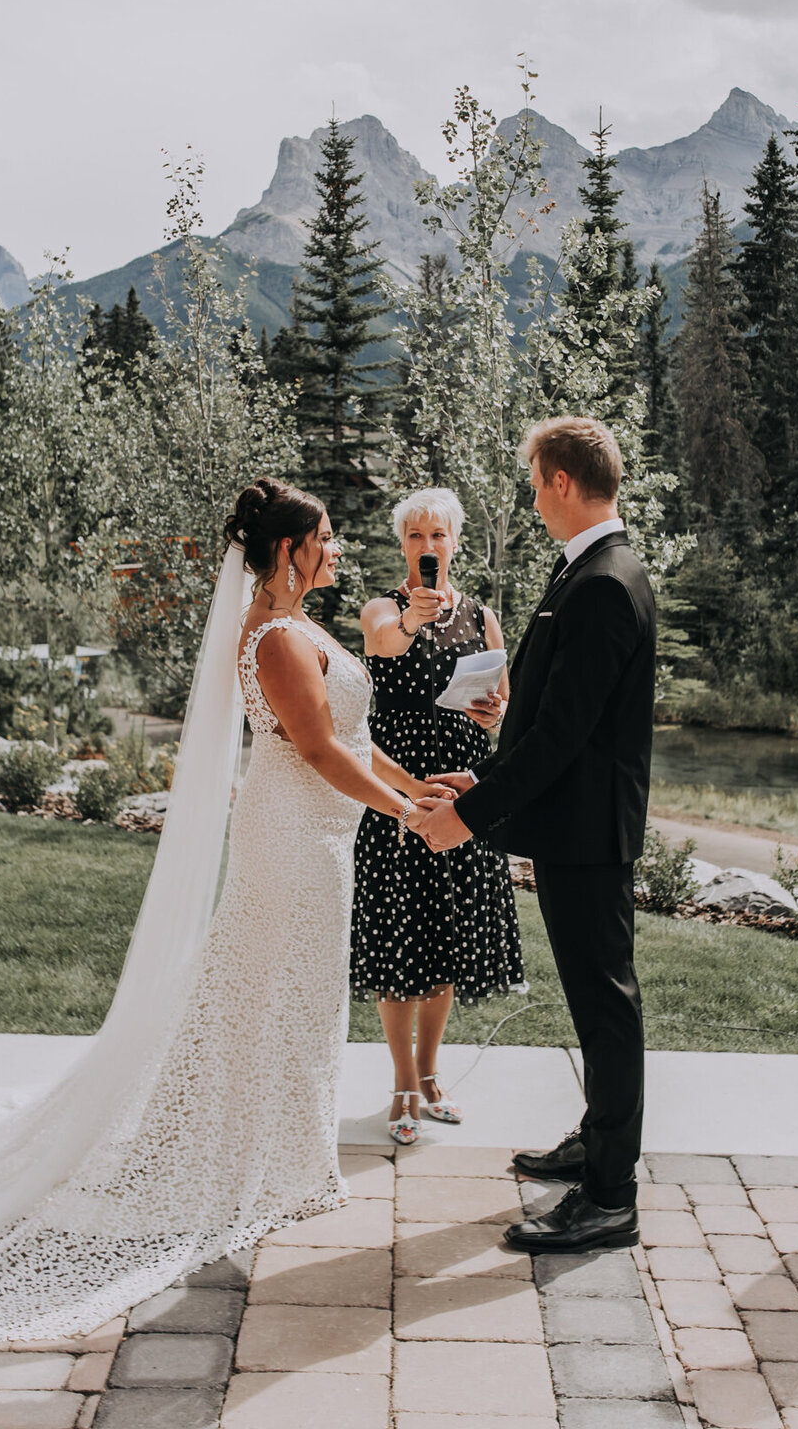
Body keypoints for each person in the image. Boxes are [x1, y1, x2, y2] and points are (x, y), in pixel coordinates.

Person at [0, 478, 447, 1340]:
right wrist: (411, 816)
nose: (339, 548)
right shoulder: (274, 636)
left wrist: (419, 784)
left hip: (323, 836)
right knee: (270, 987)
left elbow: (350, 740)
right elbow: (312, 751)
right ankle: (258, 1160)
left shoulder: (306, 625)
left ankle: (278, 1154)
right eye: (328, 536)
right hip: (291, 836)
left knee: (297, 992)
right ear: (287, 551)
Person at [419, 417, 655, 1254]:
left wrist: (467, 816)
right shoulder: (591, 571)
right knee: (596, 1005)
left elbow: (565, 743)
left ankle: (612, 1196)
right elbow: (560, 721)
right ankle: (598, 1142)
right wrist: (489, 759)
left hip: (589, 833)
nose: (530, 497)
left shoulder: (600, 581)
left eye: (532, 482)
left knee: (606, 1007)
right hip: (573, 828)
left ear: (560, 481)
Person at [353, 487, 524, 1143]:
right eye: (417, 536)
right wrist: (412, 621)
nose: (429, 546)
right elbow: (385, 645)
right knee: (399, 942)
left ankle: (428, 1074)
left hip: (461, 791)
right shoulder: (381, 611)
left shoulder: (482, 618)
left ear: (455, 542)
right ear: (403, 544)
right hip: (400, 790)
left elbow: (502, 701)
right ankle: (399, 1083)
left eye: (439, 535)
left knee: (445, 944)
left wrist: (496, 712)